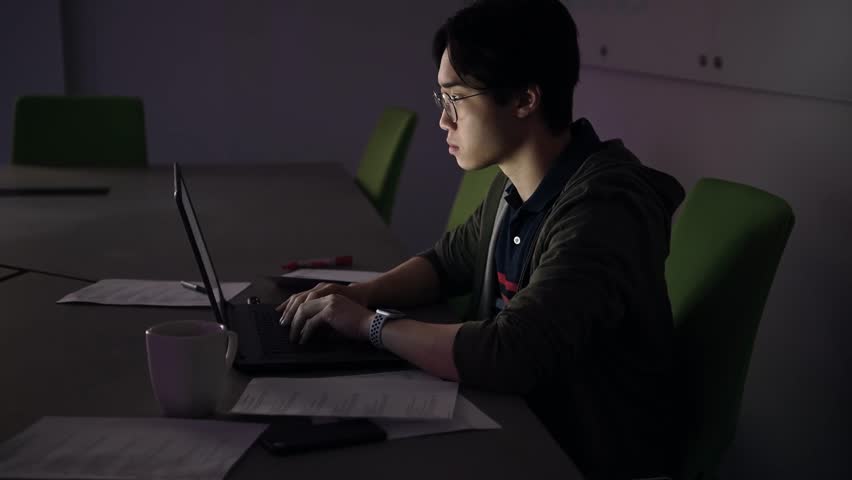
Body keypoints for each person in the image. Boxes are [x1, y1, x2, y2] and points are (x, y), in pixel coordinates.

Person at [277, 0, 685, 477]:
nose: (444, 121)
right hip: (519, 419)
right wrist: (354, 296)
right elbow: (446, 263)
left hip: (578, 452)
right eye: (442, 100)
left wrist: (369, 325)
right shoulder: (515, 185)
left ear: (524, 100)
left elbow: (510, 354)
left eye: (456, 99)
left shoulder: (603, 210)